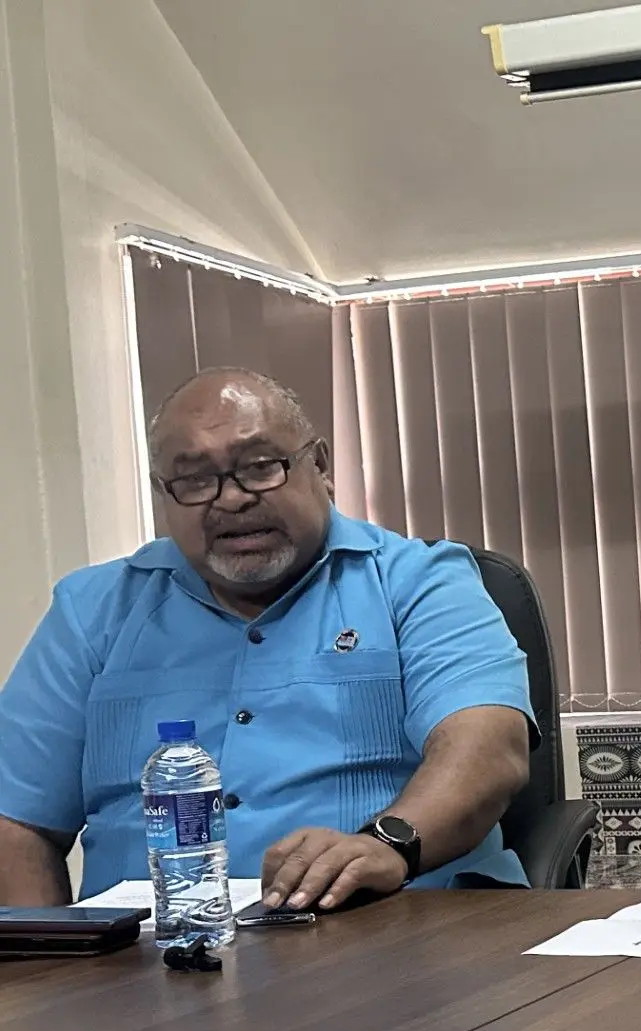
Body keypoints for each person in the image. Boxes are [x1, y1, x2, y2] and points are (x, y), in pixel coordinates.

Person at [0, 368, 534, 911]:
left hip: (397, 934)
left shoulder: (420, 581)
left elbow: (488, 750)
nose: (230, 500)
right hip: (149, 959)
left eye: (259, 468)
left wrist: (385, 845)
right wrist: (54, 965)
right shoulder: (93, 610)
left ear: (320, 466)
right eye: (194, 480)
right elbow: (17, 821)